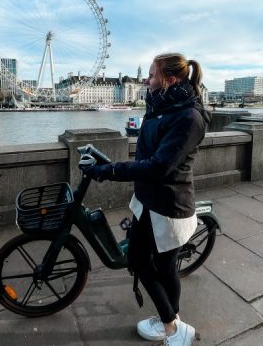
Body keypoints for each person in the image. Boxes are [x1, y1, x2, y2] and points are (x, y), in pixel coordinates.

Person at [85, 52, 210, 346]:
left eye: (152, 74)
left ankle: (173, 329)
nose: (146, 79)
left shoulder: (188, 117)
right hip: (148, 200)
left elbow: (158, 165)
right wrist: (107, 162)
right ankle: (172, 319)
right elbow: (148, 153)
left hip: (168, 205)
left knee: (147, 263)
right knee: (158, 265)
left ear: (170, 79)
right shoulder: (163, 106)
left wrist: (110, 170)